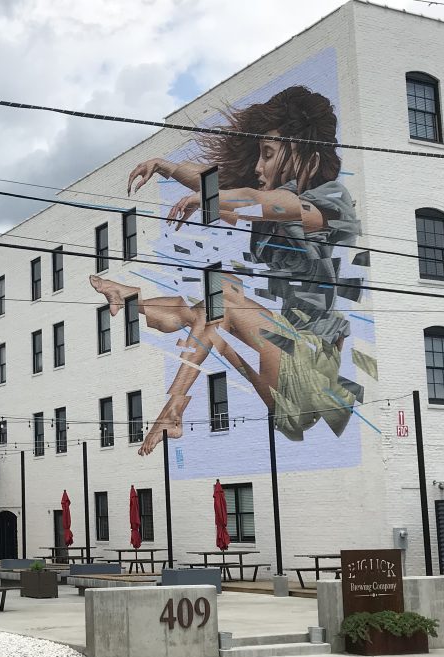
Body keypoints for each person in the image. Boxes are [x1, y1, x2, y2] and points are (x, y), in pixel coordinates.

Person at [90, 86, 364, 455]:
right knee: (207, 306)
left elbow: (264, 201)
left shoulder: (331, 200)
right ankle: (134, 303)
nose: (258, 166)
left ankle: (173, 407)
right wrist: (165, 166)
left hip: (311, 376)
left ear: (306, 157)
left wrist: (213, 198)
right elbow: (219, 182)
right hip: (284, 384)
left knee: (224, 294)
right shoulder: (269, 202)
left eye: (267, 154)